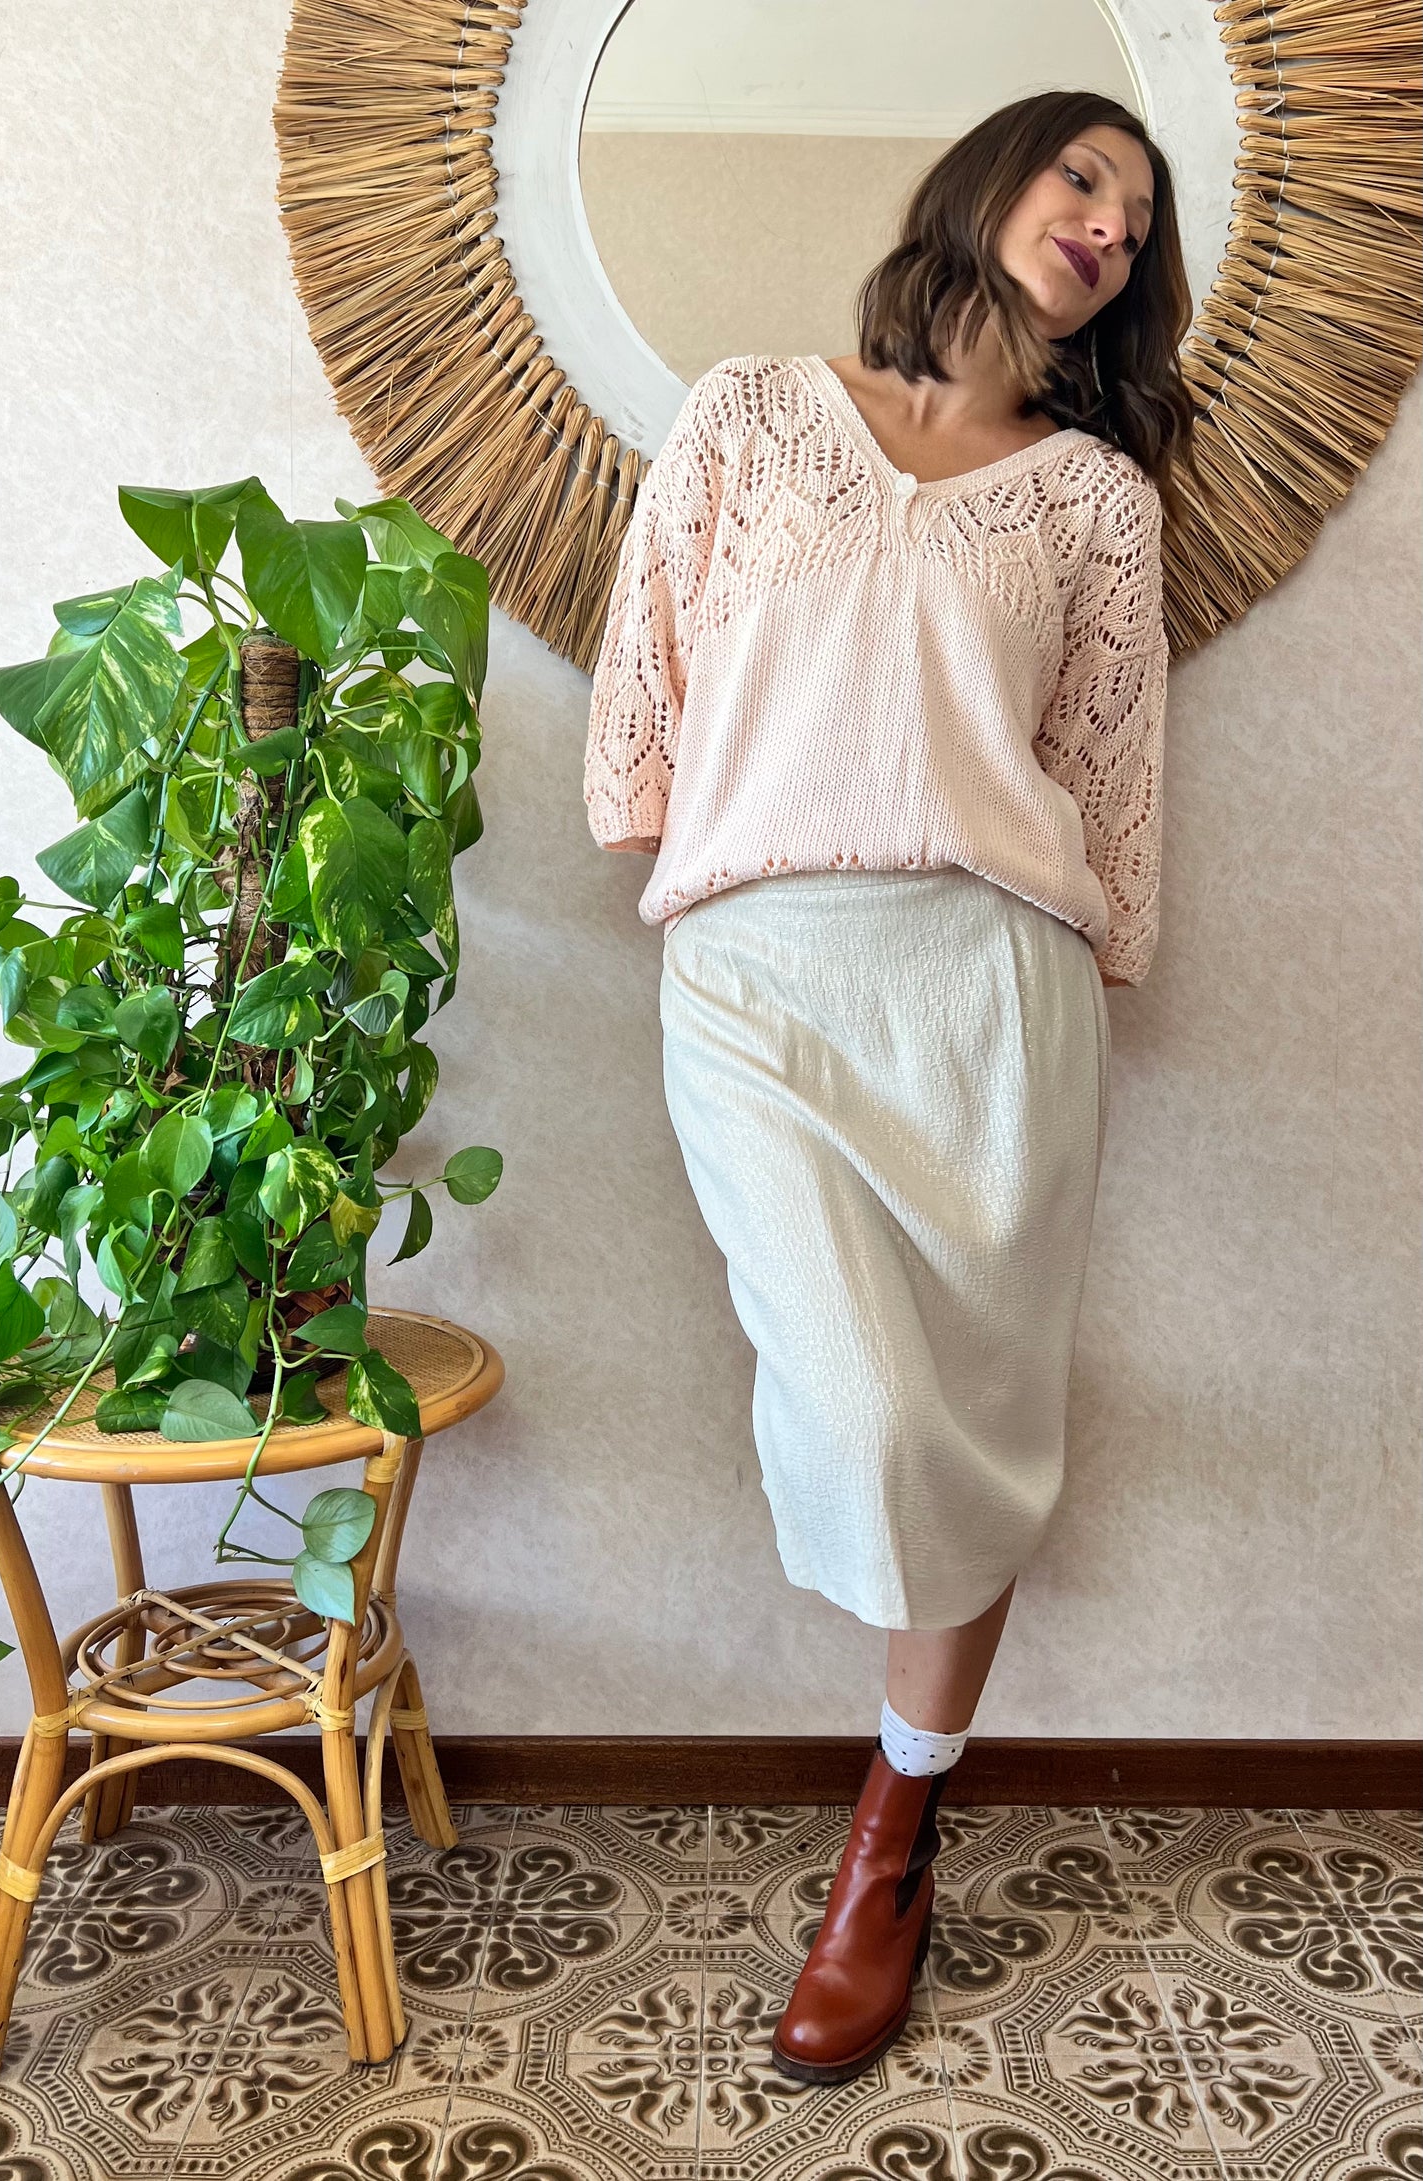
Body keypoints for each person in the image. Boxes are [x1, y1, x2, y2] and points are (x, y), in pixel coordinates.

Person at [582, 89, 1197, 2086]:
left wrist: (1089, 960)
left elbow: (1108, 786)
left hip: (994, 991)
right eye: (1081, 171)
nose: (1104, 218)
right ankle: (898, 1792)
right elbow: (646, 665)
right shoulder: (751, 412)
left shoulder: (1098, 501)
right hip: (761, 979)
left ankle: (893, 1828)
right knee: (866, 1406)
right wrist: (663, 839)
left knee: (986, 1415)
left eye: (1136, 209)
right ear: (992, 175)